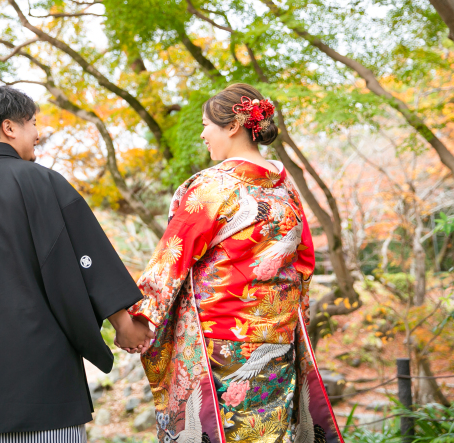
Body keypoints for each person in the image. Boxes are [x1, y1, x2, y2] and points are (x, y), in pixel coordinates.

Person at [0, 86, 153, 442]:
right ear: (10, 128)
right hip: (47, 373)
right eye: (33, 123)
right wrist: (123, 322)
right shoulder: (43, 182)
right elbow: (87, 257)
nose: (38, 133)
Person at [123, 84, 344, 443]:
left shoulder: (213, 187)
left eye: (207, 124)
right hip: (277, 341)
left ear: (232, 126)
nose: (202, 133)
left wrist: (136, 319)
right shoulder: (285, 189)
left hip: (222, 346)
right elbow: (303, 263)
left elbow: (172, 259)